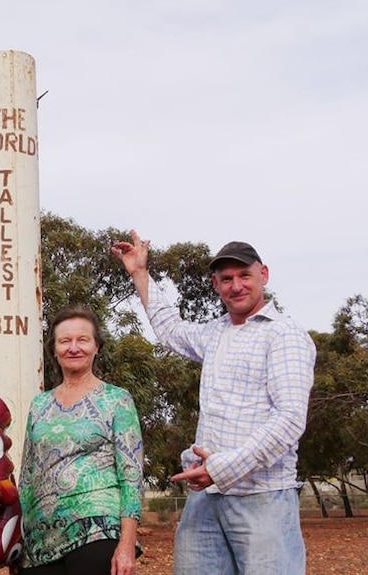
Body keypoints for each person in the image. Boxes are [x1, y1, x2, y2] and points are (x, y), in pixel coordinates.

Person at [111, 231, 316, 574]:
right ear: (215, 284)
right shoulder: (216, 332)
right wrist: (139, 273)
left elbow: (290, 419)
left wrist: (221, 469)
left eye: (244, 276)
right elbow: (170, 330)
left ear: (263, 274)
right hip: (205, 501)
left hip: (262, 498)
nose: (235, 286)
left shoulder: (285, 335)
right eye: (226, 279)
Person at [17, 305, 144, 575]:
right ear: (54, 349)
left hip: (98, 531)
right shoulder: (39, 404)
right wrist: (17, 539)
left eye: (82, 340)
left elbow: (131, 475)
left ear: (96, 346)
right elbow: (27, 476)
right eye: (65, 341)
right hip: (40, 540)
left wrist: (127, 544)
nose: (74, 347)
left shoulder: (117, 399)